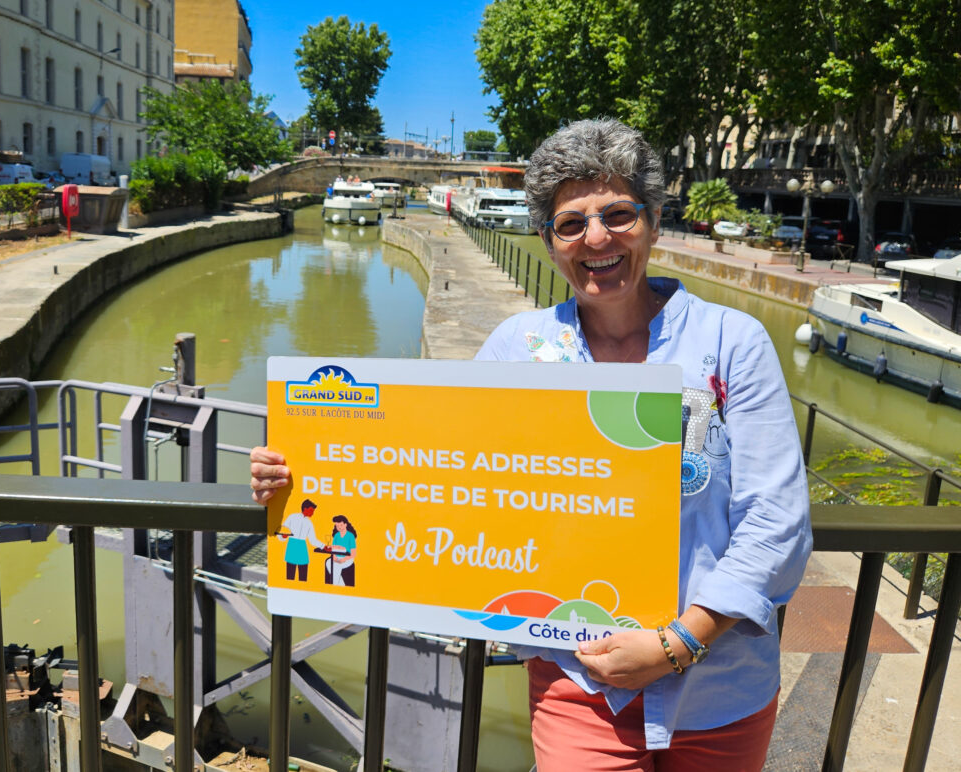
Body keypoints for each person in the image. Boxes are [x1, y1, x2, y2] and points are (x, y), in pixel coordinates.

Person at [251, 118, 812, 771]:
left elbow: (777, 522)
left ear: (655, 222)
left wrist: (678, 642)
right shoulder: (519, 350)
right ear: (547, 241)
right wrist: (301, 478)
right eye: (571, 224)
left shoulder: (732, 344)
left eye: (618, 214)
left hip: (723, 690)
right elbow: (435, 473)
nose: (596, 238)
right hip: (581, 684)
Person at [276, 498, 322, 582]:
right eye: (311, 510)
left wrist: (323, 546)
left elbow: (313, 540)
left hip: (302, 549)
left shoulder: (309, 523)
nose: (312, 513)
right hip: (292, 547)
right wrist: (283, 536)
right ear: (305, 509)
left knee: (303, 578)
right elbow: (281, 532)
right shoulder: (292, 517)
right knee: (290, 577)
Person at [324, 515, 357, 586]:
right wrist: (334, 557)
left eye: (341, 525)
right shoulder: (336, 535)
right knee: (328, 562)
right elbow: (333, 548)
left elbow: (353, 554)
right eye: (337, 526)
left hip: (348, 558)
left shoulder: (350, 536)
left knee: (336, 566)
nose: (339, 527)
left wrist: (344, 559)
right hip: (336, 556)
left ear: (345, 524)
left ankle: (335, 586)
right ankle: (341, 585)